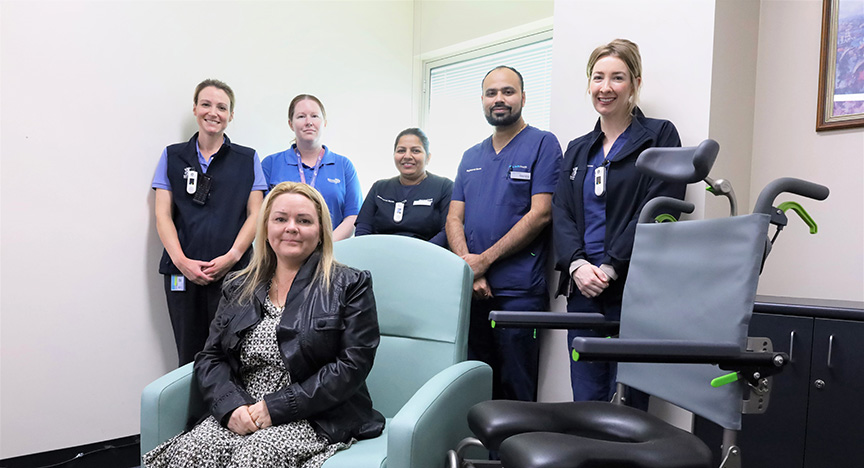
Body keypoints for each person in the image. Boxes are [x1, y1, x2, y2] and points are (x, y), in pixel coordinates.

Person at [143, 182, 385, 468]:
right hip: (244, 407)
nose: (291, 227)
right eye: (280, 219)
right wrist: (231, 406)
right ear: (266, 228)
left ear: (321, 231)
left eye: (304, 220)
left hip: (315, 414)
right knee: (190, 452)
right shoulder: (239, 286)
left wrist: (277, 408)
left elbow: (352, 366)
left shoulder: (349, 284)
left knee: (255, 457)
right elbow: (211, 357)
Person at [552, 39, 686, 405]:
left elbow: (661, 206)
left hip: (632, 287)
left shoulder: (659, 137)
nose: (605, 88)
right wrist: (578, 265)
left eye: (617, 78)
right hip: (583, 289)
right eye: (598, 78)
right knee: (587, 397)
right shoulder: (579, 148)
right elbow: (561, 211)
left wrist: (611, 267)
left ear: (635, 83)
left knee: (629, 401)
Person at [446, 66, 562, 401]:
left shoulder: (542, 144)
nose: (500, 99)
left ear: (523, 97)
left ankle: (512, 455)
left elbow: (541, 214)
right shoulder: (470, 156)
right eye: (492, 93)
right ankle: (475, 454)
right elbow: (454, 218)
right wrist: (471, 268)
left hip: (519, 294)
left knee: (516, 388)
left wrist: (482, 262)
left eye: (508, 92)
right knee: (473, 386)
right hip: (472, 292)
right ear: (482, 100)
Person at [152, 79, 267, 366]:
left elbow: (256, 215)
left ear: (231, 115)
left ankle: (226, 412)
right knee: (188, 355)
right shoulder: (172, 156)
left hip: (234, 273)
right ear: (195, 109)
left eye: (222, 107)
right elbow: (162, 214)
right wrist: (181, 261)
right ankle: (192, 413)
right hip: (181, 273)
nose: (213, 112)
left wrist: (232, 257)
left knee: (230, 355)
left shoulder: (248, 159)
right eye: (206, 104)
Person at [262, 94, 362, 241]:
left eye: (314, 116)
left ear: (324, 122)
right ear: (291, 124)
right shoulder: (270, 164)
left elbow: (353, 216)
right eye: (301, 116)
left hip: (331, 253)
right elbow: (260, 214)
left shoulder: (343, 165)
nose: (308, 122)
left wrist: (327, 246)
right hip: (283, 251)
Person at [354, 128, 453, 247]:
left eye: (415, 151)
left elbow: (448, 231)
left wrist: (422, 253)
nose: (407, 156)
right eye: (401, 151)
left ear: (428, 157)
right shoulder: (379, 188)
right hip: (381, 255)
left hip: (426, 257)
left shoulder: (444, 187)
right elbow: (363, 228)